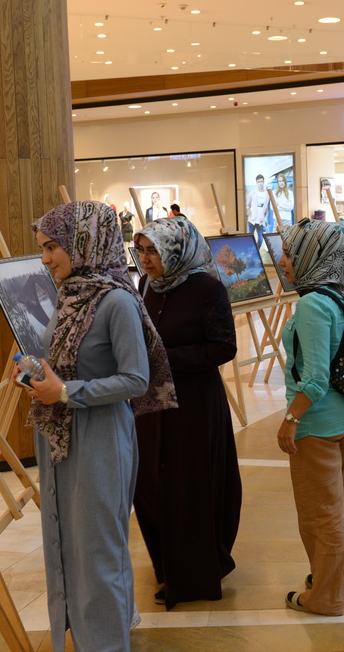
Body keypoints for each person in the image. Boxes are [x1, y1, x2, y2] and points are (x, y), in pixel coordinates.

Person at [23, 201, 177, 652]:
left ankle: (106, 643)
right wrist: (41, 376)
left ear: (84, 243)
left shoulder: (115, 301)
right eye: (42, 248)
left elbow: (136, 378)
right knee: (71, 540)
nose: (46, 258)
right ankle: (102, 629)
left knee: (97, 548)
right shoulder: (73, 293)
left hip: (100, 437)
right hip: (66, 437)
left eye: (53, 246)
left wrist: (67, 392)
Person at [132, 217, 242, 610]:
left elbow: (222, 348)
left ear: (175, 251)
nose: (145, 259)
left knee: (188, 484)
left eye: (153, 250)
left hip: (193, 404)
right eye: (141, 250)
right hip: (150, 404)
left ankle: (193, 574)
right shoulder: (147, 286)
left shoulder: (206, 288)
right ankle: (168, 565)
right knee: (150, 482)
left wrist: (163, 359)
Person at [276, 219, 344, 616]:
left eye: (289, 253)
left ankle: (326, 595)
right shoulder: (340, 293)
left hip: (317, 423)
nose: (283, 261)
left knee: (321, 515)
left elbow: (313, 378)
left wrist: (290, 420)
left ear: (312, 255)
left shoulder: (312, 304)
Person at [246, 174, 271, 246]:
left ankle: (257, 250)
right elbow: (247, 205)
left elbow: (266, 207)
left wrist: (264, 215)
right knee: (250, 238)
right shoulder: (253, 192)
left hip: (260, 221)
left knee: (260, 239)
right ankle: (252, 253)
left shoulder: (267, 194)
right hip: (252, 220)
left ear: (263, 182)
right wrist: (249, 214)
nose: (260, 183)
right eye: (259, 182)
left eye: (261, 181)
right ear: (256, 183)